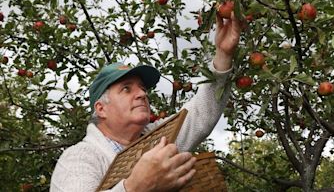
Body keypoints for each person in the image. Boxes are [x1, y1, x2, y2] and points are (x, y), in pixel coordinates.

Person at [50, 12, 241, 192]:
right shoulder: (80, 158)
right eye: (127, 88)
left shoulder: (159, 139)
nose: (142, 94)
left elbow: (201, 112)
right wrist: (133, 187)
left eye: (142, 88)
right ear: (101, 109)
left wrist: (223, 55)